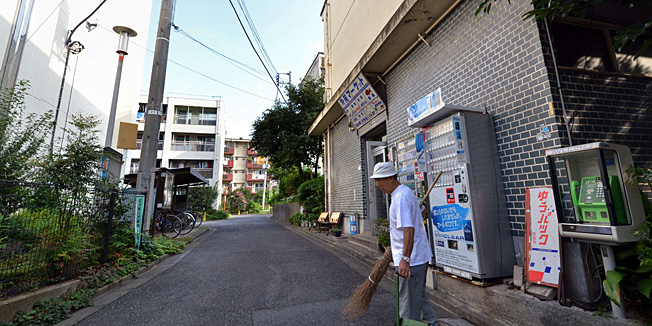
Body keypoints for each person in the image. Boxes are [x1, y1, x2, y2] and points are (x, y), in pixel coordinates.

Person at [370, 162, 439, 326]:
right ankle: (433, 323)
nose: (377, 184)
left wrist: (405, 260)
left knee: (408, 306)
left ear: (390, 178)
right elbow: (421, 214)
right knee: (418, 296)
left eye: (379, 180)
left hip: (412, 259)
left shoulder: (401, 198)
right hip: (416, 257)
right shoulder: (403, 193)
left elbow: (408, 229)